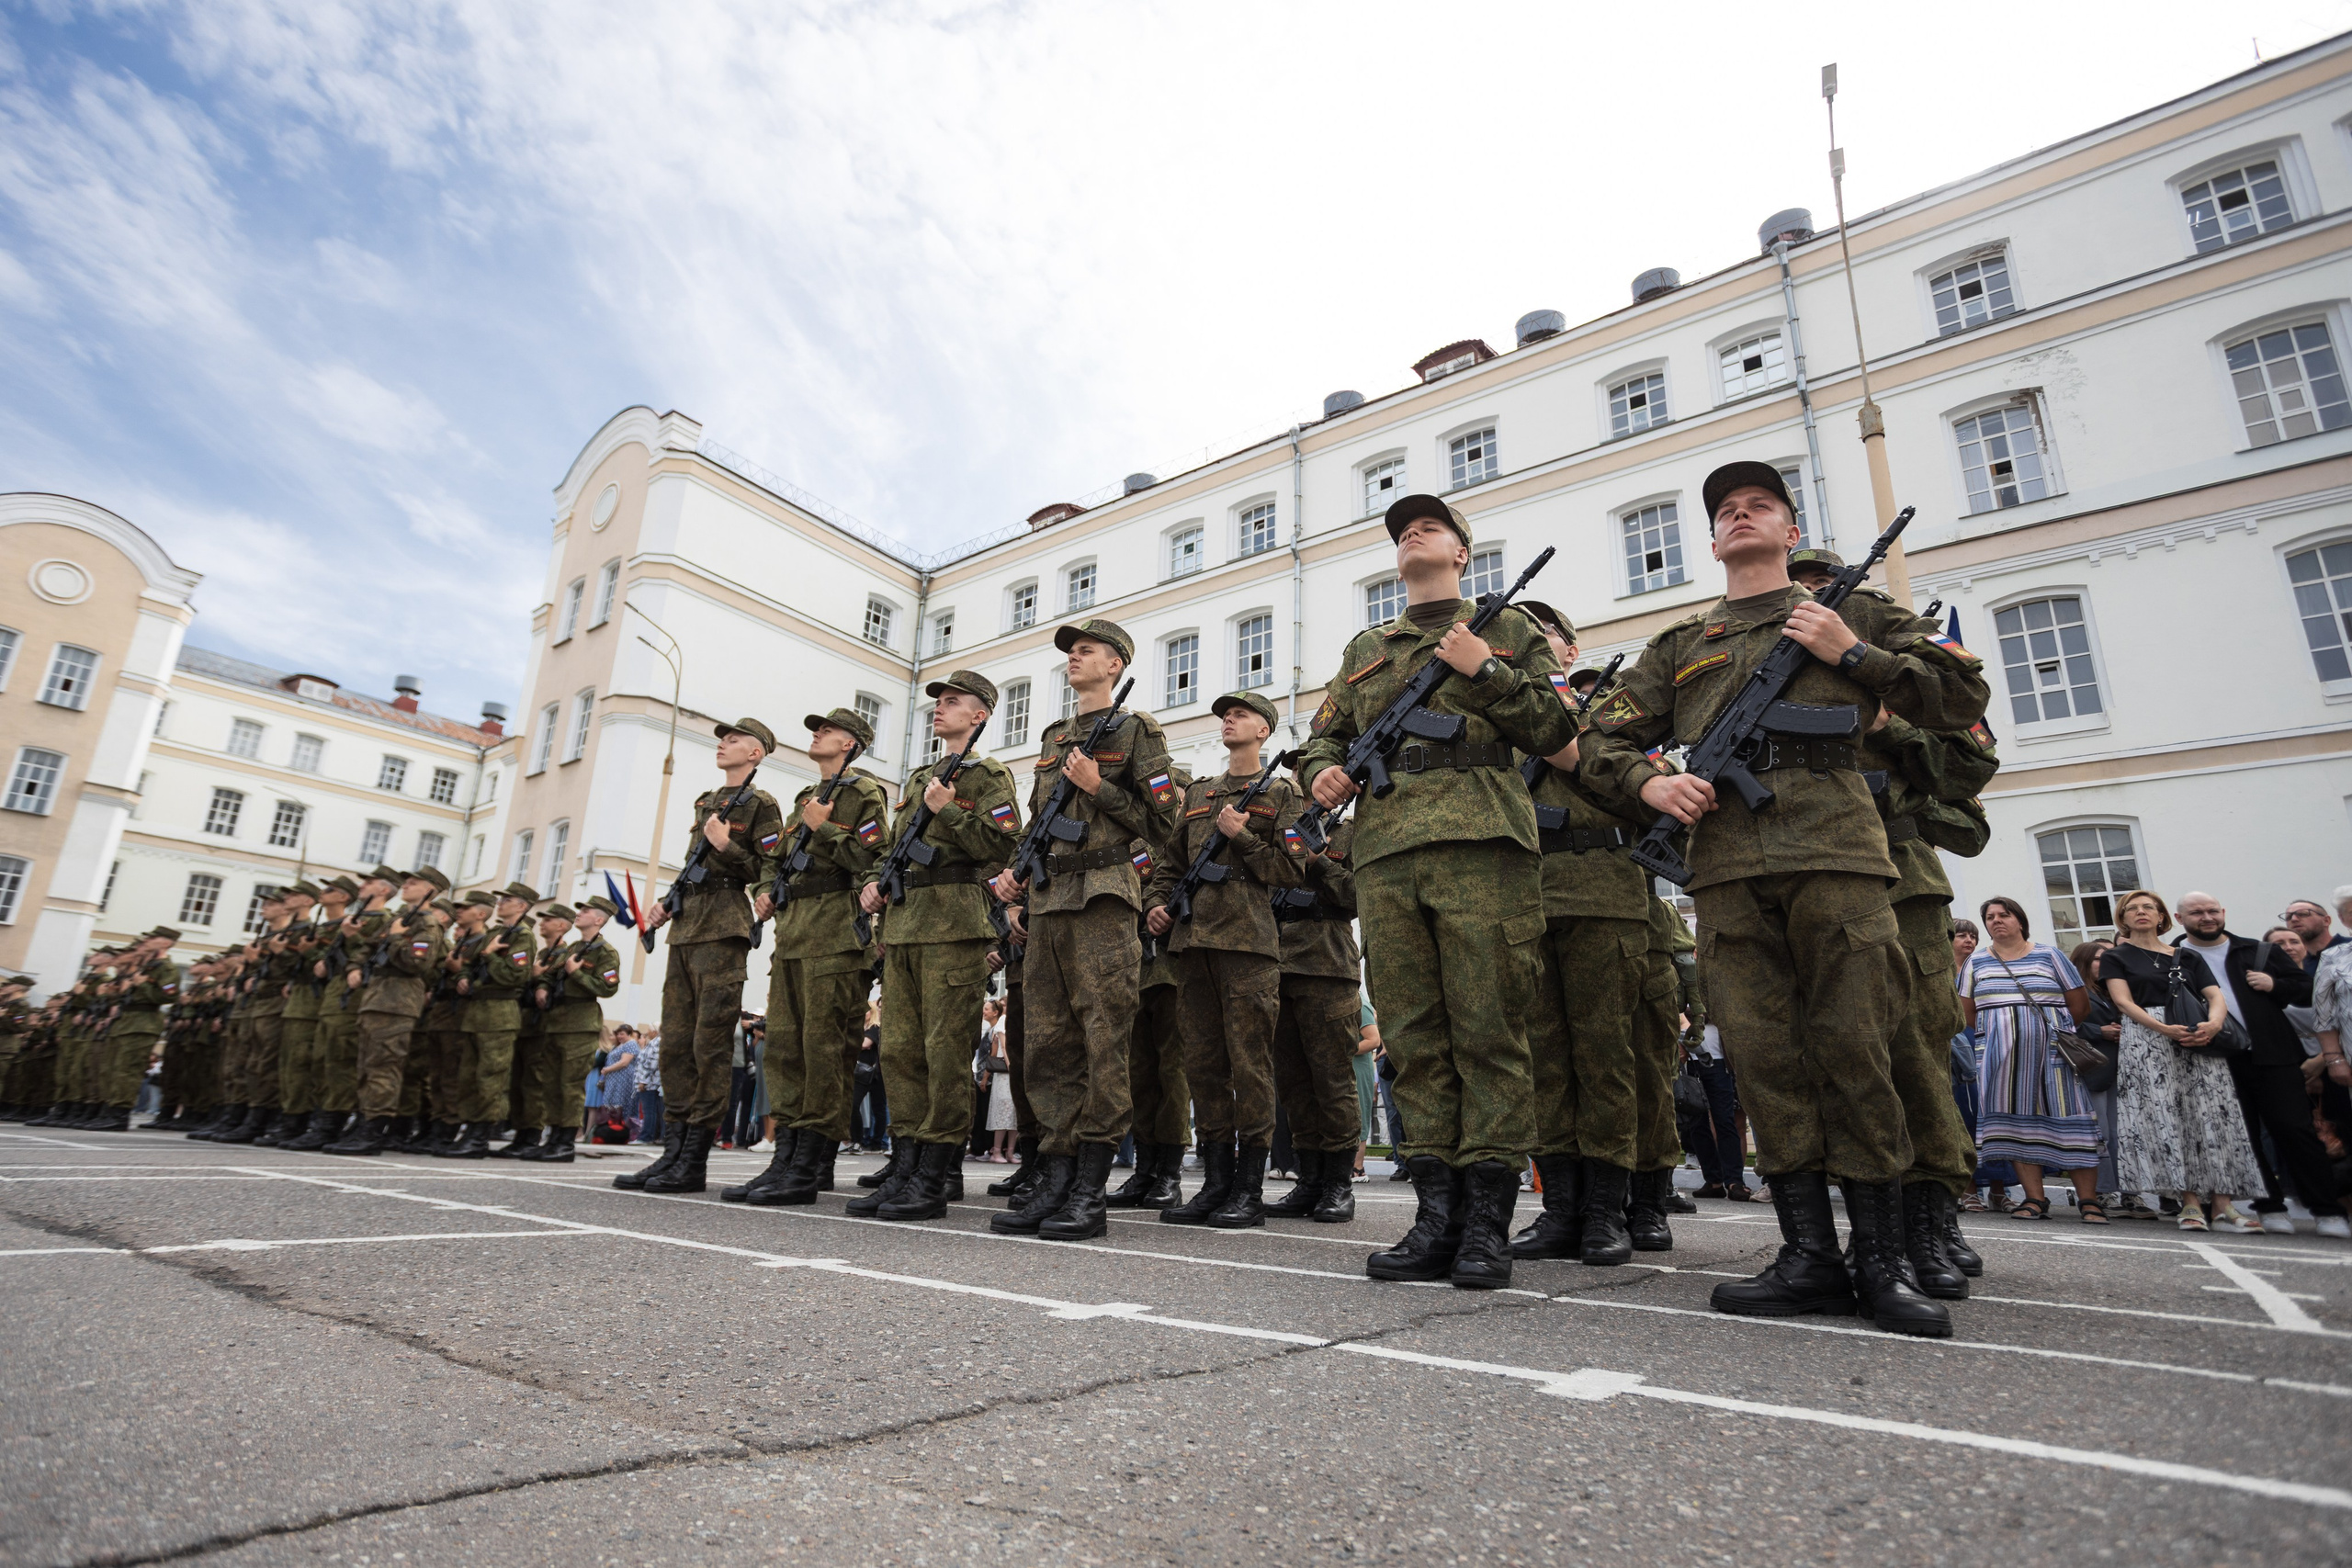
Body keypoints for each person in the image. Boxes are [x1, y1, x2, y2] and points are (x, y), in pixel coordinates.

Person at [1580, 460, 1989, 1336]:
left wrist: (1854, 654)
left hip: (1837, 854)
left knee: (1860, 1047)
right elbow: (1597, 736)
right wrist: (1651, 788)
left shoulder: (1858, 611)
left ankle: (1881, 1261)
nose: (1739, 515)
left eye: (1758, 504)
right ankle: (1807, 1253)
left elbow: (1962, 695)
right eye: (1725, 509)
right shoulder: (1682, 643)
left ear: (1790, 530)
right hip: (1726, 868)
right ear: (1713, 538)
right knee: (1766, 1058)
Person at [1297, 494, 1573, 1291]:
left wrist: (1482, 669)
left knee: (1488, 1028)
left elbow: (1557, 731)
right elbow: (1325, 731)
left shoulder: (1509, 628)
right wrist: (1321, 767)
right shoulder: (1366, 647)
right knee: (1414, 1040)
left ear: (1461, 551)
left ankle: (1488, 1223)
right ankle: (1436, 1215)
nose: (1411, 534)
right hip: (1385, 852)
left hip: (1483, 841)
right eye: (1400, 531)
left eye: (1429, 526)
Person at [989, 620, 1179, 1242]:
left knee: (1103, 1038)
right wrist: (1016, 881)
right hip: (1048, 902)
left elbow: (1165, 819)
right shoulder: (1052, 737)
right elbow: (1037, 820)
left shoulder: (1135, 730)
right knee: (1047, 1044)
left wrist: (1102, 790)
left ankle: (1091, 1185)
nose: (1075, 655)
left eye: (1088, 649)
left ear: (1117, 663)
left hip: (1103, 895)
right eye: (1072, 649)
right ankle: (1056, 1172)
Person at [1504, 603, 1655, 1267]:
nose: (1535, 642)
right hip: (1527, 900)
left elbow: (1653, 796)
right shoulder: (1506, 731)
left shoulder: (1615, 721)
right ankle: (1560, 1205)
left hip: (1602, 896)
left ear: (1569, 652)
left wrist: (1575, 755)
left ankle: (1605, 1210)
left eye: (1546, 635)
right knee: (1544, 1062)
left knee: (1605, 1059)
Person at [855, 672, 1021, 1223]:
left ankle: (935, 1172)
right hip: (903, 927)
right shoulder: (922, 776)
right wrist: (875, 882)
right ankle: (904, 1166)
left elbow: (1002, 845)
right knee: (899, 1052)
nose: (940, 709)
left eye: (953, 703)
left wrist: (948, 808)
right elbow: (897, 849)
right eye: (938, 702)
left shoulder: (989, 776)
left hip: (954, 926)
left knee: (943, 1052)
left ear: (979, 716)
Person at [1145, 690, 1305, 1230]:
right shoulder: (1199, 795)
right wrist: (1156, 906)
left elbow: (1293, 871)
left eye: (1240, 714)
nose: (1228, 720)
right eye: (1224, 716)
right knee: (1204, 1066)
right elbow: (1168, 864)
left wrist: (1244, 841)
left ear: (1265, 730)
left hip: (1248, 946)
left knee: (1249, 1064)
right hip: (1192, 946)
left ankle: (1249, 1188)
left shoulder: (1282, 792)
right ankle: (1214, 1182)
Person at [618, 718, 786, 1196]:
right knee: (674, 1044)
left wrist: (725, 844)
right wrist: (668, 904)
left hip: (724, 926)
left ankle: (692, 1160)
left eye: (734, 740)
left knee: (708, 1046)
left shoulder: (761, 804)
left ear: (755, 754)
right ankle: (671, 1152)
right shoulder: (707, 801)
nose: (723, 744)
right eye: (722, 738)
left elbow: (767, 869)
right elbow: (693, 867)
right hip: (688, 924)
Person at [734, 705, 891, 1205]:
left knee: (823, 1053)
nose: (818, 734)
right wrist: (763, 889)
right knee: (785, 1051)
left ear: (850, 744)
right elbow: (773, 862)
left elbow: (874, 860)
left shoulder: (865, 793)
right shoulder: (806, 797)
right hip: (794, 936)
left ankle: (807, 1165)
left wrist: (824, 829)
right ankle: (788, 1158)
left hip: (836, 939)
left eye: (829, 730)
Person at [2176, 892, 2346, 1236]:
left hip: (2273, 1056)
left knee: (2295, 1131)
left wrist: (2274, 985)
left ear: (2223, 913)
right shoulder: (2173, 958)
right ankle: (2269, 1207)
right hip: (2214, 1060)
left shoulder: (2256, 950)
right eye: (2197, 913)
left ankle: (2328, 1211)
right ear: (2181, 919)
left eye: (2212, 910)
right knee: (2244, 1138)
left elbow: (2308, 990)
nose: (2207, 917)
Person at [2098, 889, 2264, 1232]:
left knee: (2213, 1116)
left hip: (2197, 1035)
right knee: (2170, 1118)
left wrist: (2214, 1024)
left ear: (2163, 917)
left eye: (2149, 907)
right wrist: (2164, 1029)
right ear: (2123, 918)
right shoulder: (2118, 956)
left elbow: (2214, 996)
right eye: (2133, 909)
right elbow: (2124, 1003)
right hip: (2149, 1040)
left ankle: (2224, 1205)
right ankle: (2189, 1202)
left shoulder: (2187, 956)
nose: (2141, 912)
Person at [1960, 897, 2102, 1224]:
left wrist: (2044, 1032)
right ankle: (2034, 1199)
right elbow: (1967, 1013)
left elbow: (2079, 1006)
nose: (1996, 921)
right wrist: (2003, 1034)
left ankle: (2089, 1201)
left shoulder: (2049, 955)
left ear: (2020, 921)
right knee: (2018, 1127)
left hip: (2054, 1056)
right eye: (1990, 917)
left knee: (2073, 1121)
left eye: (2004, 915)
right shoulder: (1976, 963)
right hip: (2001, 1061)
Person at [1265, 810, 1363, 1223]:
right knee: (1293, 1084)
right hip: (1276, 966)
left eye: (1307, 768)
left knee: (1332, 1080)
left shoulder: (1353, 831)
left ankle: (1339, 1184)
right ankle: (1309, 1181)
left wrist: (1317, 861)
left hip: (1326, 967)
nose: (1301, 778)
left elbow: (1360, 896)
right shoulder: (1278, 834)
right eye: (1296, 771)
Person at [325, 866, 453, 1156]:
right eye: (406, 881)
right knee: (365, 1068)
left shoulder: (427, 925)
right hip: (375, 999)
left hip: (397, 1003)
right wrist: (356, 966)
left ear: (431, 891)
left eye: (414, 882)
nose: (406, 884)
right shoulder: (399, 919)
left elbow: (418, 964)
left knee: (384, 1068)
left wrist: (396, 939)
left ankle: (373, 1131)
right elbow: (365, 949)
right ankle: (362, 1123)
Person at [1109, 826, 1189, 1213]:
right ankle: (1145, 1168)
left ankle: (1169, 1172)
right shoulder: (1133, 842)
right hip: (1134, 969)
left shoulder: (1183, 844)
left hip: (1173, 970)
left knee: (1172, 1075)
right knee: (1139, 1074)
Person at [983, 999, 1017, 1161]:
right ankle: (997, 1151)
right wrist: (1011, 1065)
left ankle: (1009, 1151)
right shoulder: (1004, 1020)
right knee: (1004, 1110)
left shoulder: (1016, 1019)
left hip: (1013, 1071)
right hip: (1005, 1073)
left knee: (1014, 1112)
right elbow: (1003, 1046)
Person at [2283, 898, 2347, 975]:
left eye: (2303, 914)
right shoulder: (2294, 965)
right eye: (2288, 917)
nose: (2293, 919)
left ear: (2326, 921)